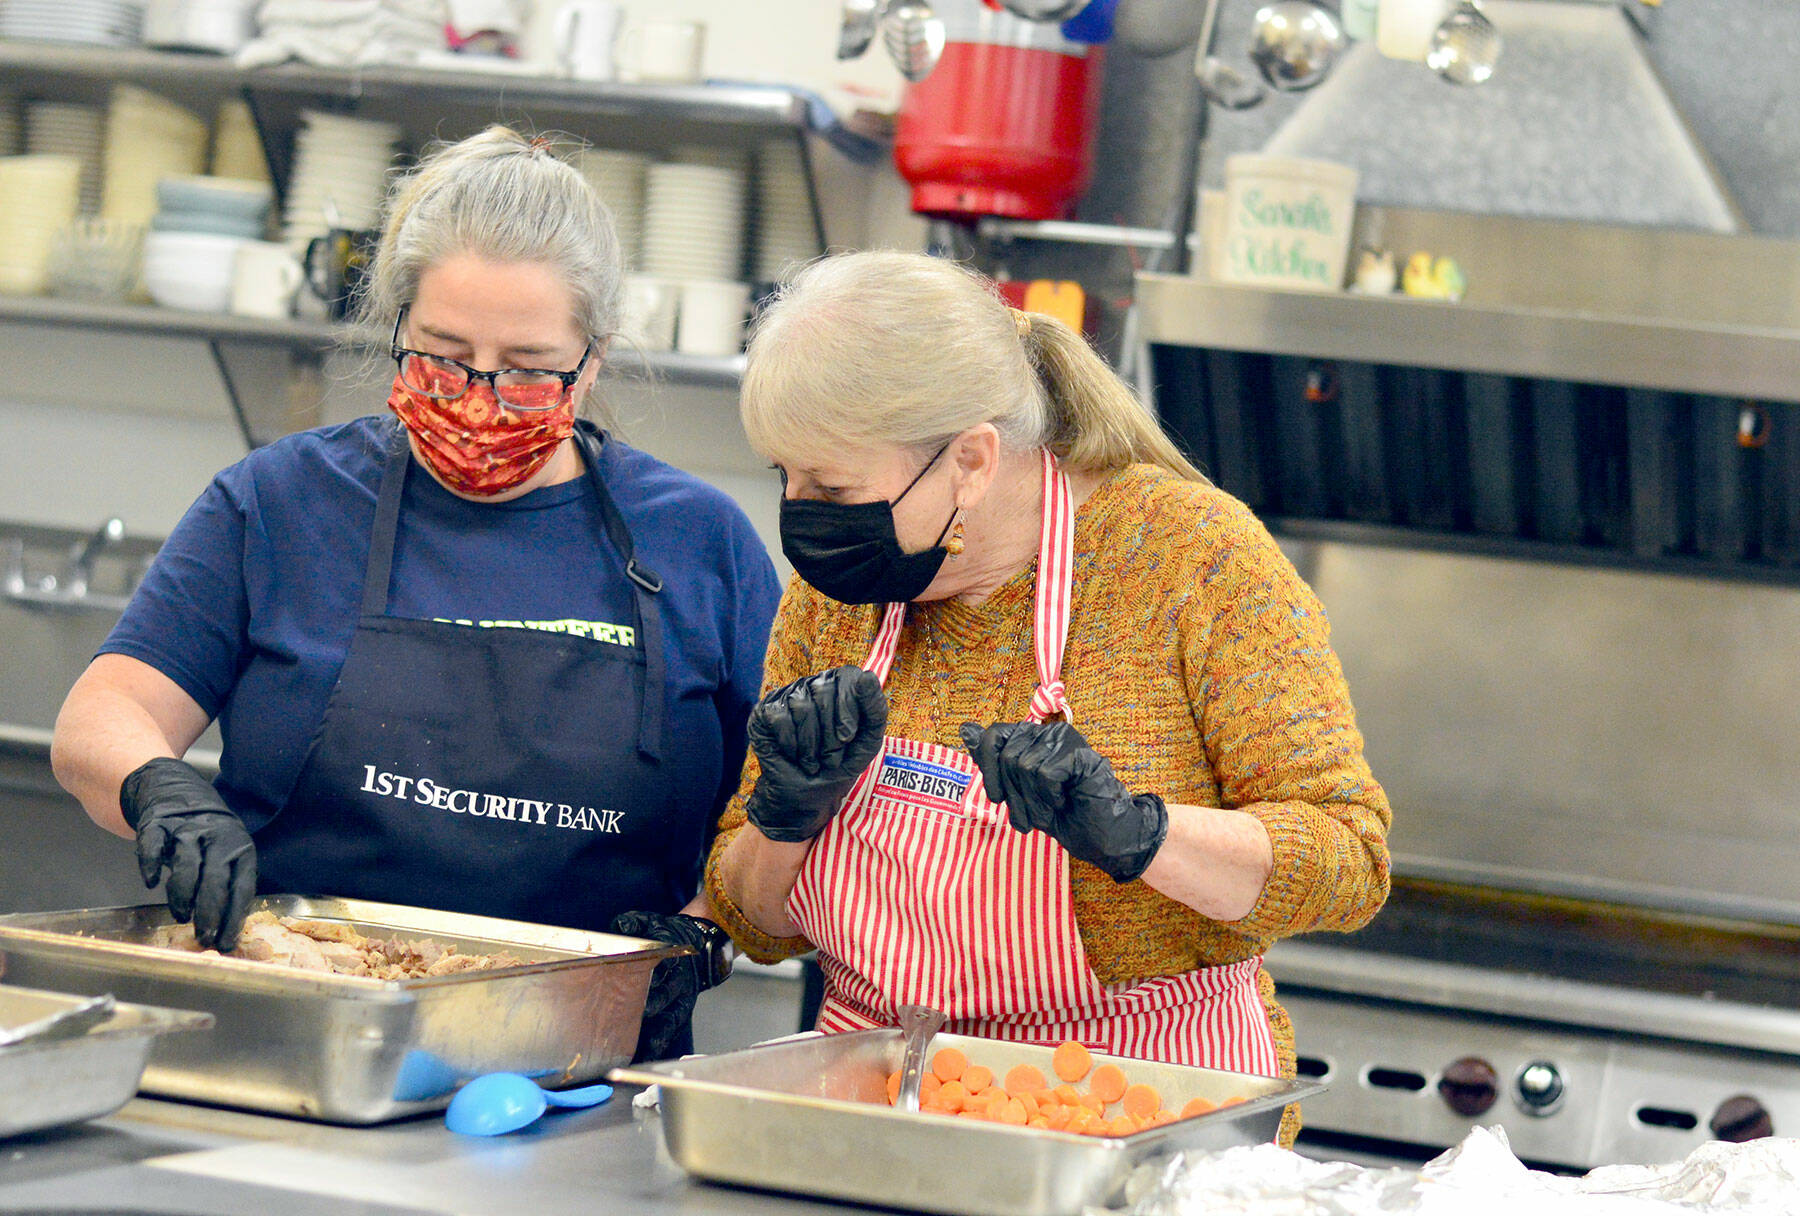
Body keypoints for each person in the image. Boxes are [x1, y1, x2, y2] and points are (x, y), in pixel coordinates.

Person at [50, 127, 780, 1060]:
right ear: (396, 329)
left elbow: (785, 809)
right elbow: (101, 715)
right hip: (296, 1028)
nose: (479, 398)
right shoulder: (281, 501)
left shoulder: (700, 540)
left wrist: (703, 925)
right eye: (442, 354)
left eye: (525, 369)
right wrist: (157, 789)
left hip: (587, 1054)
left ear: (591, 360)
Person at [704, 251, 1391, 1144]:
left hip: (1141, 1124)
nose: (804, 516)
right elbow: (751, 923)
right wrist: (783, 818)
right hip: (885, 1123)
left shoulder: (1189, 558)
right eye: (784, 479)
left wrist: (1142, 834)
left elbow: (1350, 860)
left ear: (972, 460)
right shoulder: (836, 598)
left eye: (834, 488)